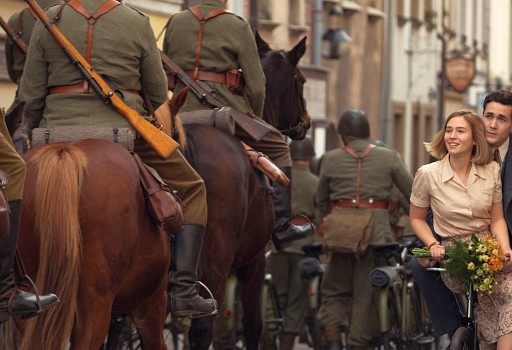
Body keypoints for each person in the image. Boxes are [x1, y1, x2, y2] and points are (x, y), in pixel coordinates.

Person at [18, 0, 215, 319]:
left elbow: (30, 96)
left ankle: (9, 287)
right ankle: (184, 291)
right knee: (193, 188)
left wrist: (33, 134)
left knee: (9, 189)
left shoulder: (49, 18)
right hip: (120, 134)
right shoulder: (135, 21)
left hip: (51, 134)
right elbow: (156, 89)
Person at [162, 0, 313, 250]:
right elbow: (256, 84)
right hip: (222, 112)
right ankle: (283, 225)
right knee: (279, 147)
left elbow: (165, 71)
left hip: (179, 114)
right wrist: (253, 114)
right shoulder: (237, 25)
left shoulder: (176, 22)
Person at [409, 90, 512, 345]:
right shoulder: (456, 148)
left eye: (501, 119)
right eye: (488, 116)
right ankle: (454, 330)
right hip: (456, 244)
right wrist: (433, 243)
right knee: (418, 265)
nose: (492, 124)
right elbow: (432, 205)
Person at [315, 109, 413, 350]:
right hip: (376, 233)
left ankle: (333, 335)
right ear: (367, 135)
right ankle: (357, 344)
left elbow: (321, 201)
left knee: (334, 289)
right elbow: (412, 193)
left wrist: (326, 226)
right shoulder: (389, 157)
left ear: (343, 137)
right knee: (365, 294)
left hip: (339, 231)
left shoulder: (329, 159)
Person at [0, 111, 60, 324]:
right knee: (13, 168)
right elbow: (155, 92)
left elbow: (31, 99)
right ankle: (3, 290)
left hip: (53, 123)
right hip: (116, 126)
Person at [266, 136, 319, 350]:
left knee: (275, 296)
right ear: (309, 157)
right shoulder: (315, 182)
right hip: (304, 247)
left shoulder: (277, 178)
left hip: (278, 244)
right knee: (298, 300)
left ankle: (270, 339)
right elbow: (320, 215)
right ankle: (287, 345)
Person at [4, 0, 63, 151]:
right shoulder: (70, 15)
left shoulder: (17, 20)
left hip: (22, 102)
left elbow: (11, 72)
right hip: (58, 102)